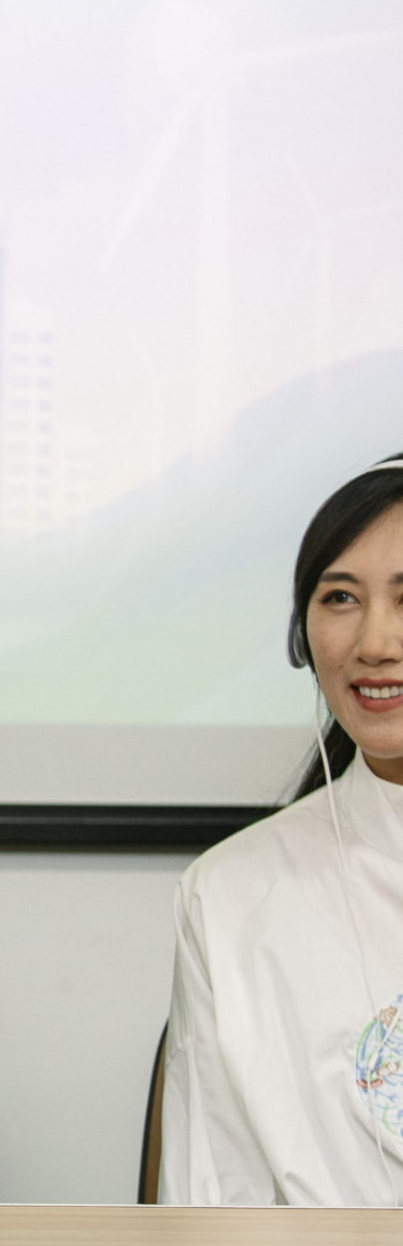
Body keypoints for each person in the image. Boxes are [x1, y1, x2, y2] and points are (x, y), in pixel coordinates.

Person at [159, 454, 403, 1206]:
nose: (374, 643)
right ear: (304, 638)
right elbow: (207, 1212)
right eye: (339, 598)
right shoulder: (231, 896)